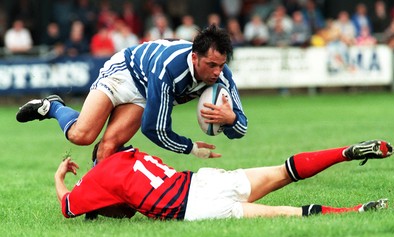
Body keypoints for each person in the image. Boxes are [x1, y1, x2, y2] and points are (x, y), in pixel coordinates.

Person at [16, 25, 248, 162]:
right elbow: (153, 128)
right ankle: (54, 106)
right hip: (124, 73)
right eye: (211, 65)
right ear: (195, 57)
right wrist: (191, 148)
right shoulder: (169, 68)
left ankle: (93, 204)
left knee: (108, 147)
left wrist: (231, 119)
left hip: (145, 92)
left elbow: (242, 127)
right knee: (82, 136)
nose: (217, 72)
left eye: (221, 64)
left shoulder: (222, 74)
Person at [55, 140, 393, 220]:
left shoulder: (99, 173)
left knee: (288, 213)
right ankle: (345, 151)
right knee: (282, 172)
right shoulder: (136, 154)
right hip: (203, 181)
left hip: (195, 208)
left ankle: (356, 212)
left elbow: (68, 206)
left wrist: (59, 177)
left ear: (98, 158)